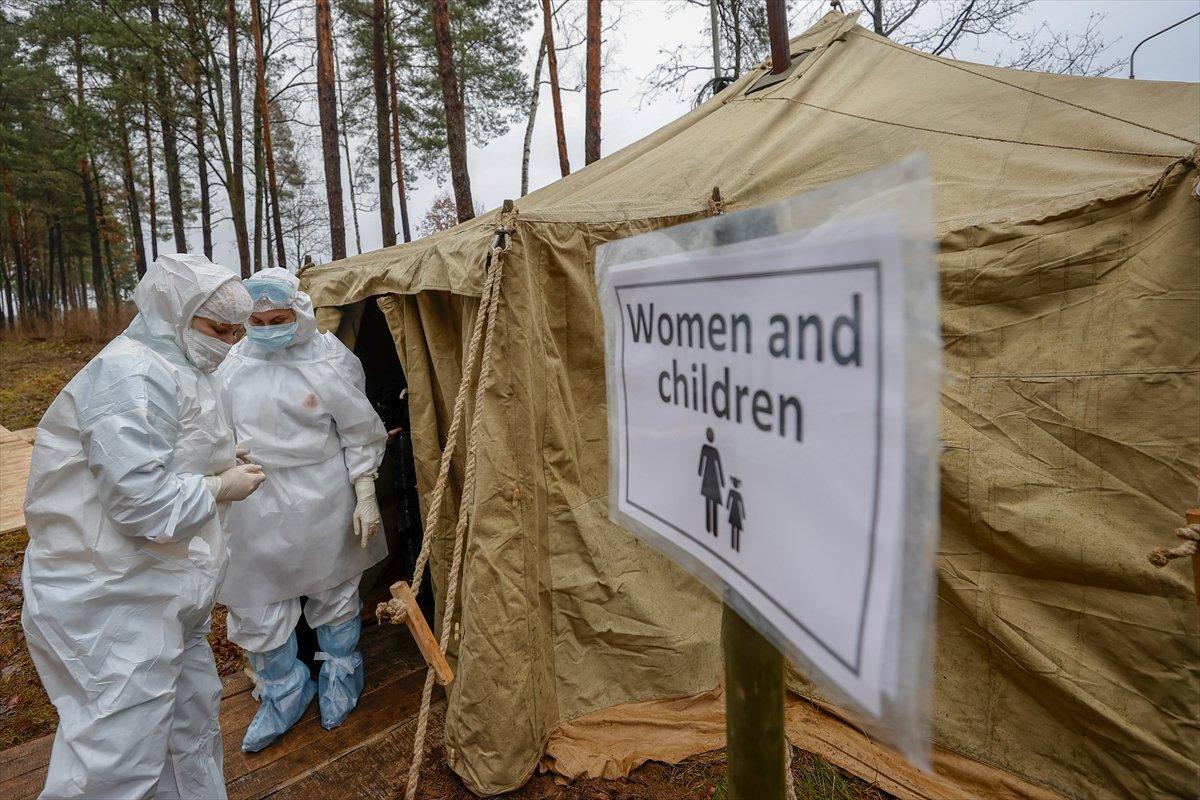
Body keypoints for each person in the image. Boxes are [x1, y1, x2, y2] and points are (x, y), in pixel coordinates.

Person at [22, 253, 265, 800]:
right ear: (172, 311)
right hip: (110, 599)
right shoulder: (128, 374)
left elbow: (167, 449)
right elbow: (142, 506)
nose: (227, 342)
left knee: (188, 730)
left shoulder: (181, 365)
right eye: (217, 328)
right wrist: (220, 485)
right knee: (113, 763)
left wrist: (221, 456)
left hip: (163, 593)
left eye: (234, 332)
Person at [216, 267, 387, 752]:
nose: (269, 328)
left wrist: (366, 489)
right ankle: (283, 693)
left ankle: (339, 676)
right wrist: (222, 461)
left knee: (333, 590)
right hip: (253, 497)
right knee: (255, 605)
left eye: (279, 318)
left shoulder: (330, 359)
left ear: (301, 312)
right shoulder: (230, 365)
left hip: (322, 494)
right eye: (259, 320)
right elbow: (210, 426)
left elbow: (359, 430)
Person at [698, 427, 724, 536]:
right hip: (711, 478)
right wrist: (722, 481)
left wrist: (722, 481)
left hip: (710, 477)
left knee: (710, 500)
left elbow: (718, 466)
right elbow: (703, 462)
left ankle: (712, 529)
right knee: (710, 500)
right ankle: (710, 528)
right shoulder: (709, 449)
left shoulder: (710, 449)